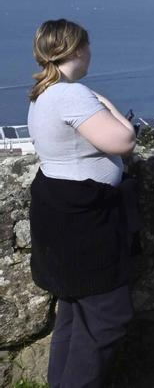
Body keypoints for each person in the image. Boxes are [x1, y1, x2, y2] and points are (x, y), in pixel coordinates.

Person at [26, 19, 138, 388]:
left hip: (62, 212)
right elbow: (123, 141)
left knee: (73, 315)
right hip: (85, 221)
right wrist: (106, 103)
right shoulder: (71, 94)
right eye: (87, 46)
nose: (90, 53)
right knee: (107, 315)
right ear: (76, 50)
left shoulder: (45, 93)